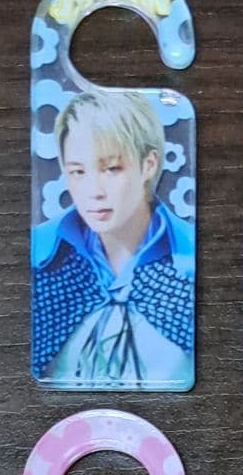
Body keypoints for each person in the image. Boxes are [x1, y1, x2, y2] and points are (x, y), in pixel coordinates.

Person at [31, 90, 194, 388]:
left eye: (111, 169)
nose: (94, 191)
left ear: (149, 164)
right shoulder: (39, 259)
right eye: (78, 172)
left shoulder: (193, 261)